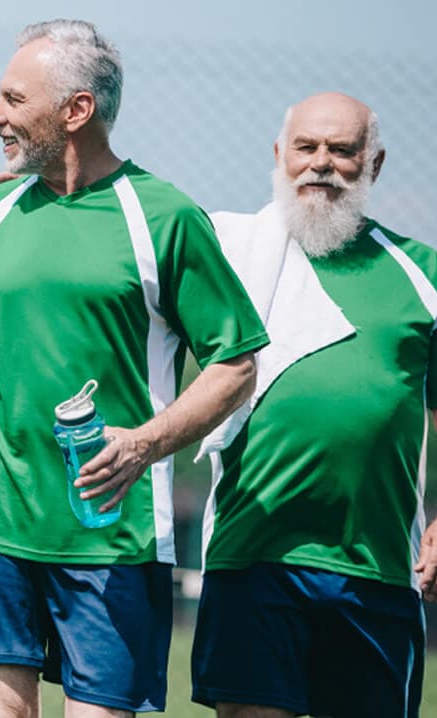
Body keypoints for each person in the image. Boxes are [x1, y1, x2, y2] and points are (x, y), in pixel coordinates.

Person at [0, 19, 268, 718]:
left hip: (110, 533)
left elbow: (236, 363)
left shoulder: (166, 219)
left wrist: (144, 444)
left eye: (12, 98)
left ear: (76, 110)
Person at [191, 91, 437, 718]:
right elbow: (122, 246)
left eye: (342, 150)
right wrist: (34, 197)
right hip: (252, 555)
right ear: (280, 155)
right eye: (306, 147)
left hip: (377, 568)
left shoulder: (422, 274)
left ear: (374, 164)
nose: (320, 163)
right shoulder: (225, 249)